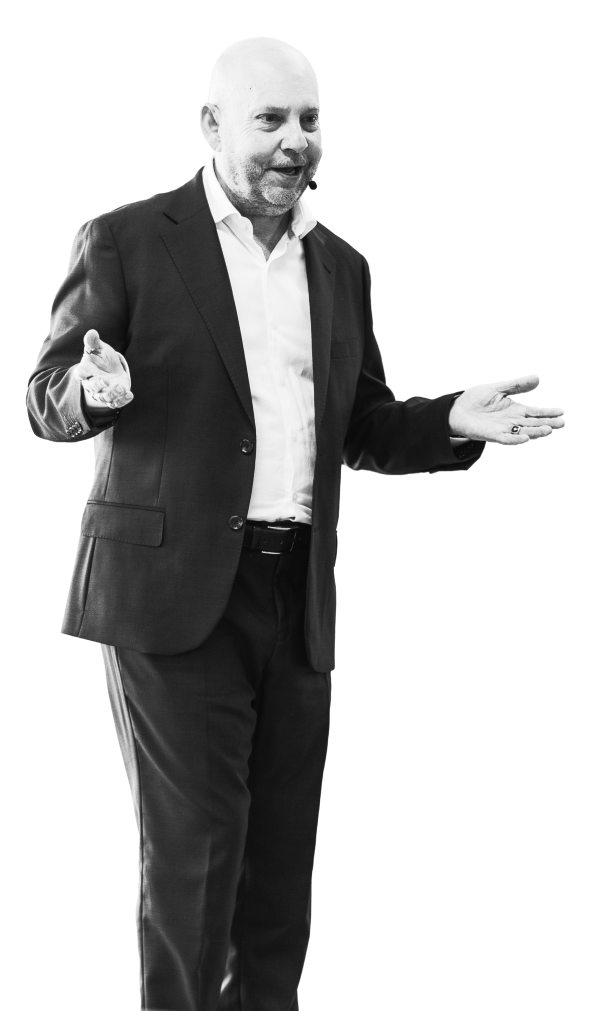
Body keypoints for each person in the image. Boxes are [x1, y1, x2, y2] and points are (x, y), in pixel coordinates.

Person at [26, 35, 566, 1011]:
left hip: (295, 594)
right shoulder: (126, 239)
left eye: (309, 120)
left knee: (279, 870)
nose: (295, 139)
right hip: (169, 595)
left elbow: (361, 426)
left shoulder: (341, 266)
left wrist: (449, 418)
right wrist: (92, 393)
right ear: (212, 124)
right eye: (269, 118)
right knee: (196, 856)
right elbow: (47, 395)